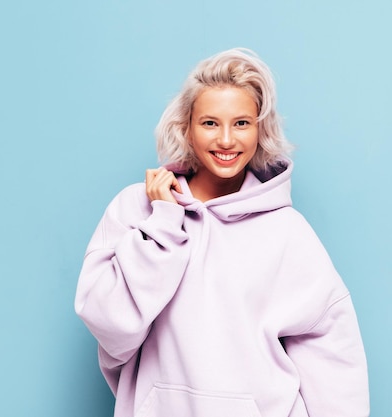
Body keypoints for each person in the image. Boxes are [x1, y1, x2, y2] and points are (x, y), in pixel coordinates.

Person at [75, 47, 369, 417]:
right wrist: (164, 223)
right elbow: (111, 325)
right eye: (210, 123)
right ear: (186, 127)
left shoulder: (287, 231)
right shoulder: (136, 209)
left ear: (261, 130)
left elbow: (332, 351)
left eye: (242, 123)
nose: (227, 140)